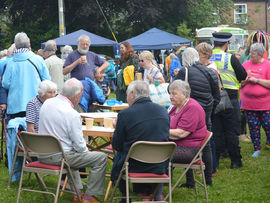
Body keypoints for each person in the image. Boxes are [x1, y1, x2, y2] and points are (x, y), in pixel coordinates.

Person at [39, 78, 107, 203]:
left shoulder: (47, 103)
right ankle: (89, 197)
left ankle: (77, 193)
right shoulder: (72, 114)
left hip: (41, 153)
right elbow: (80, 146)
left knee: (72, 154)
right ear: (77, 95)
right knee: (100, 158)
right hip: (60, 157)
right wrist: (86, 153)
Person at [111, 80, 170, 202]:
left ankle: (124, 196)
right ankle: (155, 194)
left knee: (119, 156)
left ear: (132, 94)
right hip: (160, 164)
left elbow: (117, 145)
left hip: (133, 165)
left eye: (127, 95)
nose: (127, 98)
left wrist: (118, 127)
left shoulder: (125, 114)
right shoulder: (163, 111)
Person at [175, 47, 220, 187]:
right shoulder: (210, 71)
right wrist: (210, 109)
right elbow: (216, 94)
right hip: (206, 110)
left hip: (190, 110)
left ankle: (190, 181)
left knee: (186, 141)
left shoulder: (184, 71)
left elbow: (173, 89)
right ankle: (208, 179)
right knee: (205, 144)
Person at [210, 32, 247, 169]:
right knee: (231, 130)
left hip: (213, 98)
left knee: (216, 129)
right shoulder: (229, 57)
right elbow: (243, 75)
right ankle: (235, 161)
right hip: (230, 97)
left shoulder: (207, 57)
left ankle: (217, 159)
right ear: (226, 44)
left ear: (214, 43)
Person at [1, 32, 50, 119]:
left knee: (17, 131)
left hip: (15, 106)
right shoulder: (38, 60)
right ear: (29, 45)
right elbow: (47, 81)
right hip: (36, 103)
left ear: (15, 46)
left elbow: (5, 84)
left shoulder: (10, 63)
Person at [240, 43, 270, 157]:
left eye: (253, 54)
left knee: (268, 124)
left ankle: (268, 141)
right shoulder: (245, 64)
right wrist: (246, 81)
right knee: (253, 127)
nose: (251, 56)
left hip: (266, 104)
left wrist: (257, 80)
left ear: (260, 54)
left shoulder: (268, 65)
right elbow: (240, 82)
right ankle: (256, 148)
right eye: (250, 53)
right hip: (249, 104)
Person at [168, 79, 206, 167]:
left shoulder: (192, 108)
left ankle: (162, 180)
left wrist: (159, 131)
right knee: (151, 149)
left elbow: (181, 133)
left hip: (188, 149)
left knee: (157, 154)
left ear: (184, 94)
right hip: (174, 144)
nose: (170, 96)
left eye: (174, 94)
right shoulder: (176, 106)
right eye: (170, 93)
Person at [195, 42, 220, 176]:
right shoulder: (205, 67)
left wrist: (211, 106)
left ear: (203, 55)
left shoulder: (211, 68)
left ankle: (211, 168)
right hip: (205, 106)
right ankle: (207, 166)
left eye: (198, 54)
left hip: (208, 106)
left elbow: (215, 91)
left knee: (209, 137)